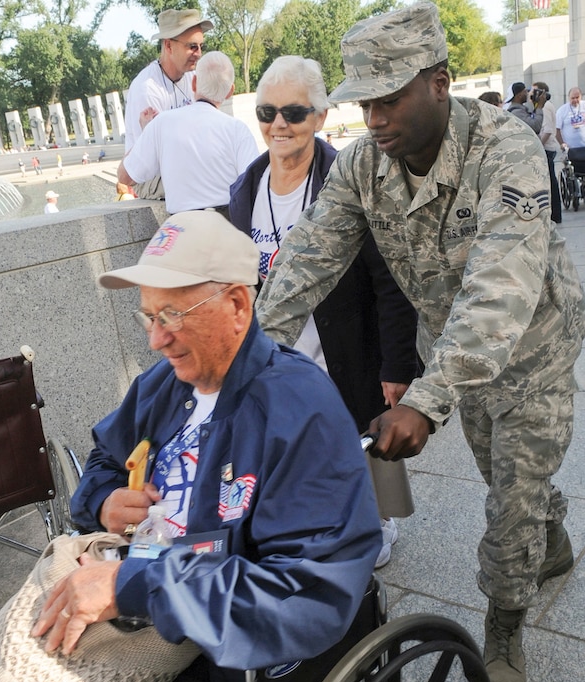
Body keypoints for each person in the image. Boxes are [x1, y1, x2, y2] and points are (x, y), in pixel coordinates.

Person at [0, 210, 381, 682]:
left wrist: (131, 585)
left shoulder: (300, 412)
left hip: (223, 663)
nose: (155, 338)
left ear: (238, 305)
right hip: (129, 623)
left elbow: (301, 591)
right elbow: (104, 462)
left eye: (172, 315)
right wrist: (103, 501)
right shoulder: (163, 386)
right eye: (148, 316)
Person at [255, 1, 585, 682]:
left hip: (531, 348)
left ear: (437, 82)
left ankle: (502, 630)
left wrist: (425, 402)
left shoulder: (506, 148)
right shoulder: (363, 168)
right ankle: (547, 529)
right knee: (503, 468)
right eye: (362, 102)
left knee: (509, 497)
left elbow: (500, 292)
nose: (372, 119)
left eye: (388, 97)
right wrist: (245, 359)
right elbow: (306, 259)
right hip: (452, 352)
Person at [229, 55, 419, 567]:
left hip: (348, 339)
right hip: (284, 346)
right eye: (267, 112)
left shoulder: (347, 176)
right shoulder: (245, 189)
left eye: (294, 112)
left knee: (362, 434)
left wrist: (398, 364)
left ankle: (376, 521)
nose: (278, 125)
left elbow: (391, 279)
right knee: (298, 440)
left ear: (320, 116)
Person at [119, 51, 259, 215]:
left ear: (194, 83)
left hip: (182, 228)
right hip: (227, 227)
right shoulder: (238, 130)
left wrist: (146, 133)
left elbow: (125, 176)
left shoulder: (161, 123)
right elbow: (254, 188)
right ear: (230, 91)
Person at [123, 8, 213, 158]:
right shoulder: (148, 89)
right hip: (154, 176)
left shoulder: (194, 78)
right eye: (192, 47)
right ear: (169, 46)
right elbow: (158, 154)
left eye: (201, 46)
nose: (198, 54)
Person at [535, 81, 561, 224]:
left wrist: (537, 146)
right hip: (548, 147)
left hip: (546, 148)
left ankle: (555, 216)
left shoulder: (545, 107)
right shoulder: (547, 106)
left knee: (550, 182)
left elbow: (548, 130)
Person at [556, 86, 585, 150]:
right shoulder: (562, 110)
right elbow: (557, 130)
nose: (575, 100)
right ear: (569, 98)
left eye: (577, 97)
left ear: (581, 97)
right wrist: (562, 143)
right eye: (573, 98)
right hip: (571, 148)